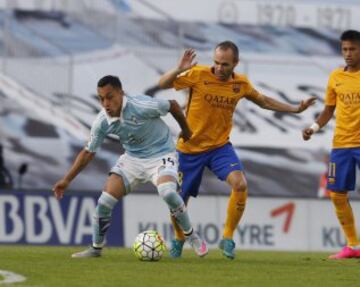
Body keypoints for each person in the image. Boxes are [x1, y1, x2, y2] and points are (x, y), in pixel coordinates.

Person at [158, 41, 316, 259]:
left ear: (235, 63)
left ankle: (228, 238)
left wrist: (296, 109)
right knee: (179, 199)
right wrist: (179, 68)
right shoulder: (197, 74)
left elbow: (264, 101)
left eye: (225, 64)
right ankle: (178, 239)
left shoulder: (241, 83)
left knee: (240, 183)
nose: (219, 68)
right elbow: (163, 84)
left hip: (219, 147)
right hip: (189, 148)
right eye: (216, 63)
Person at [52, 75, 208, 258]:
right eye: (101, 99)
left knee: (167, 192)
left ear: (121, 93)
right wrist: (66, 180)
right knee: (105, 201)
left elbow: (173, 105)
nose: (106, 103)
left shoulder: (141, 105)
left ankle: (192, 236)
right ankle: (96, 248)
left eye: (110, 97)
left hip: (162, 155)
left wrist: (187, 131)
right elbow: (88, 152)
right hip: (133, 159)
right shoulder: (102, 121)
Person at [302, 30, 360, 259]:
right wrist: (313, 128)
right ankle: (353, 246)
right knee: (336, 194)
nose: (348, 54)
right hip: (342, 145)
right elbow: (328, 110)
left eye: (353, 49)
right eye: (344, 49)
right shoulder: (336, 76)